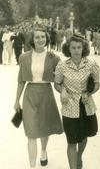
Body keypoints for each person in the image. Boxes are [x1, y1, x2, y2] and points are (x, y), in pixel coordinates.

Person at [14, 25, 63, 168]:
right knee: (31, 132)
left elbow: (61, 78)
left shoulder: (53, 57)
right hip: (30, 94)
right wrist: (17, 100)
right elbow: (21, 80)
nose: (40, 39)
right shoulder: (24, 57)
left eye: (43, 37)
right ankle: (32, 166)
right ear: (32, 40)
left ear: (46, 39)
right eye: (37, 37)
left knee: (44, 127)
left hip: (46, 94)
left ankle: (43, 150)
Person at [54, 34, 100, 169]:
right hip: (69, 106)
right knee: (71, 140)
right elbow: (57, 83)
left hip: (86, 105)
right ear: (68, 49)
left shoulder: (91, 64)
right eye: (73, 47)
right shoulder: (62, 65)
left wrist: (89, 92)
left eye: (79, 47)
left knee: (84, 137)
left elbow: (97, 84)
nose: (76, 50)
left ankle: (79, 157)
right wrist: (62, 91)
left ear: (83, 48)